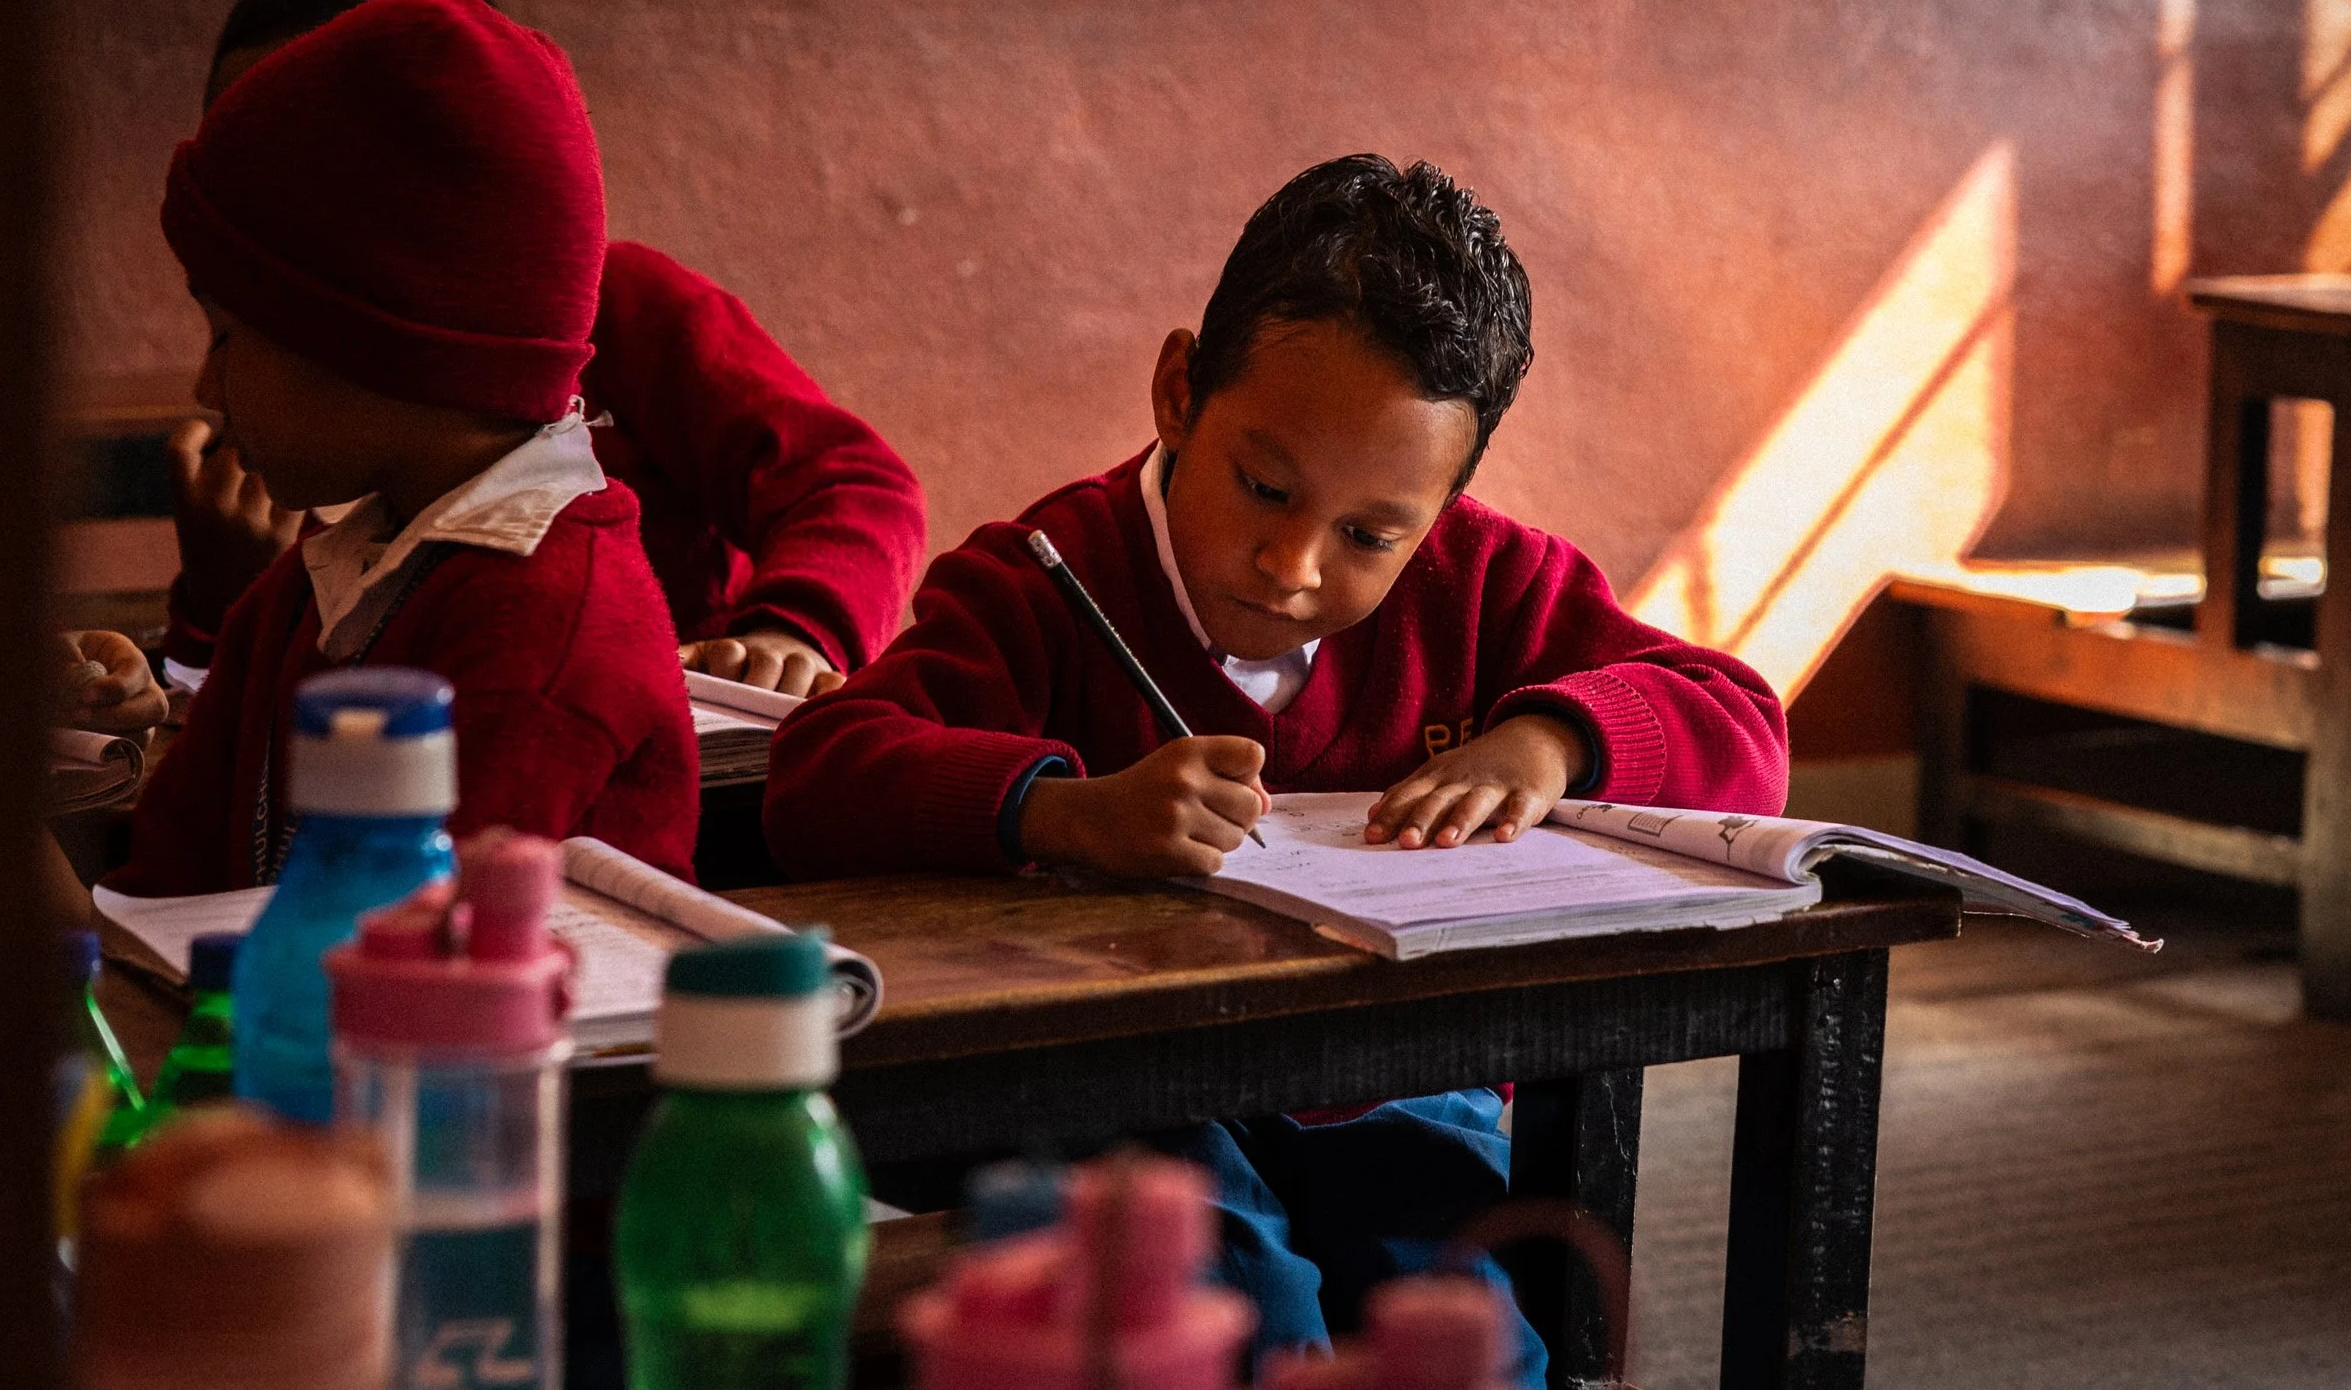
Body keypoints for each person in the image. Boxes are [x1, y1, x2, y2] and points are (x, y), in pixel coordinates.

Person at [762, 155, 1788, 1377]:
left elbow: (1742, 720)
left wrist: (1551, 739)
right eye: (1263, 486)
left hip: (1396, 1082)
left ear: (1442, 506)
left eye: (1369, 533)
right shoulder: (1045, 575)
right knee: (1241, 1313)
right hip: (1131, 1093)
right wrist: (1065, 811)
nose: (1294, 564)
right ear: (1178, 392)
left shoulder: (1481, 582)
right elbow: (820, 770)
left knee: (1469, 1338)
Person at [162, 0, 926, 699]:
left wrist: (790, 631)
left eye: (301, 147)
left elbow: (854, 485)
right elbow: (244, 710)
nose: (255, 186)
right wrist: (220, 599)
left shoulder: (623, 309)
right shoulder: (274, 384)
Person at [110, 0, 697, 893]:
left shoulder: (548, 631)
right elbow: (157, 889)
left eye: (227, 336)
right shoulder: (309, 591)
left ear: (369, 345)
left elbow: (420, 947)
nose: (204, 388)